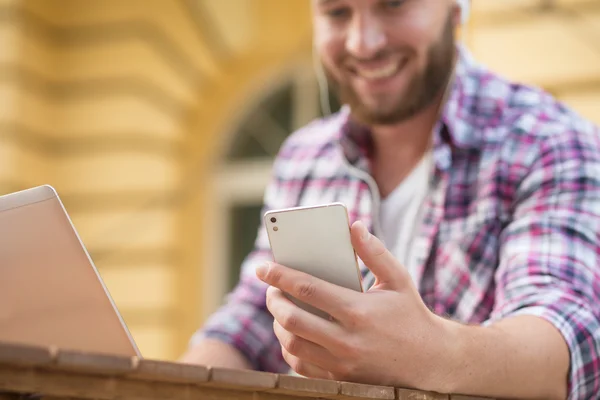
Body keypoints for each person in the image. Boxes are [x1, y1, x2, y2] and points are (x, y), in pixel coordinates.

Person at [181, 1, 600, 398]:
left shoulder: (548, 140)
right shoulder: (303, 156)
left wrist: (428, 352)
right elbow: (251, 321)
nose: (363, 43)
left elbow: (566, 342)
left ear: (456, 7)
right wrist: (167, 384)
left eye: (394, 3)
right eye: (338, 11)